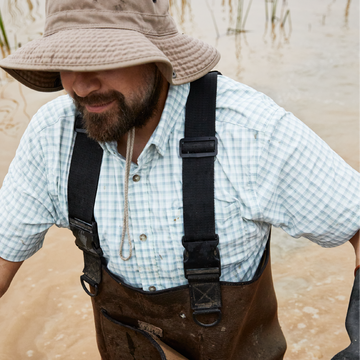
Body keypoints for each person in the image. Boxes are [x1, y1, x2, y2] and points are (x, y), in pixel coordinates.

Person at [0, 0, 360, 359]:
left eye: (100, 60)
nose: (80, 86)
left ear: (158, 57)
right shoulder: (53, 137)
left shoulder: (249, 131)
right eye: (65, 62)